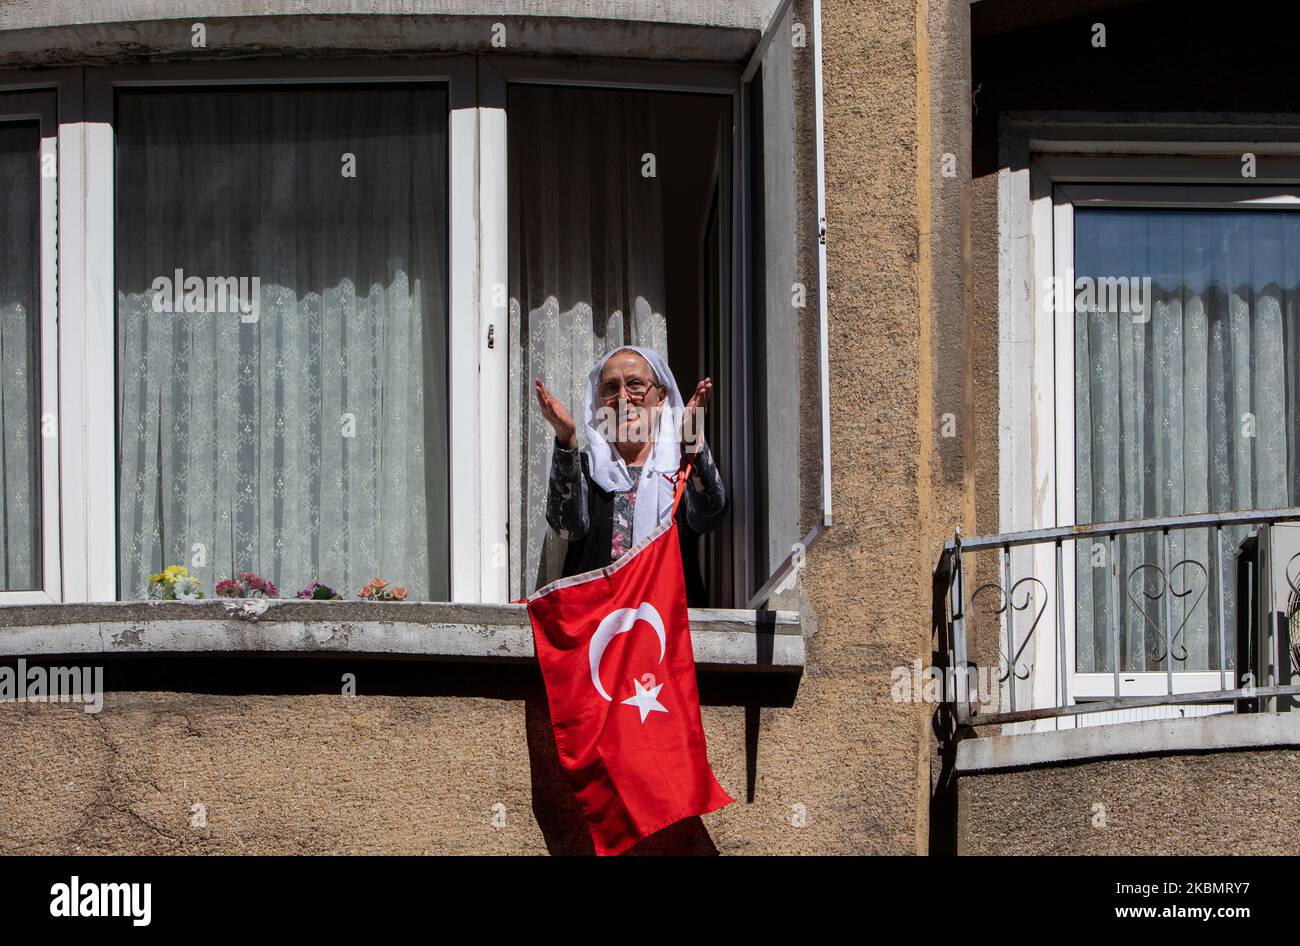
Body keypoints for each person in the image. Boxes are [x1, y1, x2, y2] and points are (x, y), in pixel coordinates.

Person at [534, 345, 726, 605]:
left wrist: (691, 442)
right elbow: (566, 528)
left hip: (667, 627)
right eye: (611, 388)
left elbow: (708, 516)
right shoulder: (587, 469)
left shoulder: (679, 467)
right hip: (598, 629)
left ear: (661, 396)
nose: (623, 398)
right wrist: (566, 438)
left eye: (635, 384)